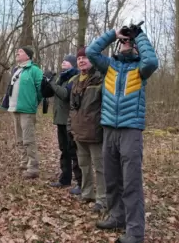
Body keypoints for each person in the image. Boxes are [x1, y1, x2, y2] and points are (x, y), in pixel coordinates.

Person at [86, 23, 158, 243]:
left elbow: (152, 61)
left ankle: (135, 232)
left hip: (130, 130)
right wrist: (113, 34)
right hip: (108, 128)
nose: (126, 43)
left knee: (131, 182)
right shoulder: (109, 66)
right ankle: (117, 217)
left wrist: (139, 36)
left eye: (130, 42)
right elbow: (91, 52)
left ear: (136, 47)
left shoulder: (141, 69)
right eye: (123, 41)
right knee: (112, 179)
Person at [67, 46, 106, 213]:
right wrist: (70, 127)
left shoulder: (101, 79)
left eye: (85, 58)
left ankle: (102, 199)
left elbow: (106, 106)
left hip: (95, 132)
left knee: (100, 167)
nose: (81, 60)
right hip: (78, 132)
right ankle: (87, 193)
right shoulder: (75, 81)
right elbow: (72, 107)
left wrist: (102, 128)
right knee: (83, 165)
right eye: (79, 58)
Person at [1, 46, 44, 179]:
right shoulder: (16, 70)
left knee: (28, 140)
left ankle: (33, 168)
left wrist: (33, 103)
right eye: (17, 52)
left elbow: (41, 90)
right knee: (19, 139)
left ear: (28, 56)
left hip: (27, 110)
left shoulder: (35, 70)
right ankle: (24, 162)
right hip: (14, 109)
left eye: (20, 52)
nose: (17, 53)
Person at [41, 55, 82, 193]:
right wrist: (45, 81)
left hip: (70, 120)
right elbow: (47, 93)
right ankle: (65, 179)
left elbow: (65, 94)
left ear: (72, 64)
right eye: (62, 60)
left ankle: (81, 183)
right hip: (60, 120)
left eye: (66, 61)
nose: (63, 62)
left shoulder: (75, 77)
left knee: (73, 151)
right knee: (64, 150)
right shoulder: (61, 77)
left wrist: (52, 82)